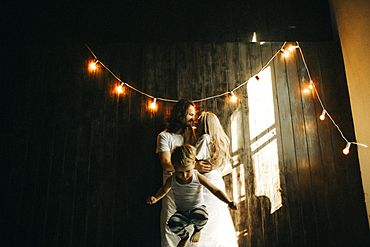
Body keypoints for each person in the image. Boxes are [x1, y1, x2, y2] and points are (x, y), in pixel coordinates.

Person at [147, 144, 237, 247]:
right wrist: (155, 198)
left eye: (187, 171)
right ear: (174, 167)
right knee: (172, 223)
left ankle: (198, 230)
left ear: (194, 164)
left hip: (197, 209)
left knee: (201, 216)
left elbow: (215, 190)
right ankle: (184, 237)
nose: (184, 176)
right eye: (180, 172)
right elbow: (163, 190)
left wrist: (228, 201)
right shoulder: (172, 180)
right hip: (182, 213)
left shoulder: (196, 177)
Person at [156, 99, 211, 247]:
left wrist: (188, 140)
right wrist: (193, 168)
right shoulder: (164, 136)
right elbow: (166, 164)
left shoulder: (194, 134)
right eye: (190, 114)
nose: (193, 118)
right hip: (172, 186)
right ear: (181, 114)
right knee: (170, 223)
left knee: (196, 221)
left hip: (191, 187)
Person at [190, 111, 239, 246]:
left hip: (206, 183)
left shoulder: (205, 138)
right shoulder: (220, 141)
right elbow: (225, 167)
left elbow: (193, 161)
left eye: (198, 123)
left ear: (204, 125)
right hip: (217, 181)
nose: (196, 126)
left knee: (202, 220)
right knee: (218, 220)